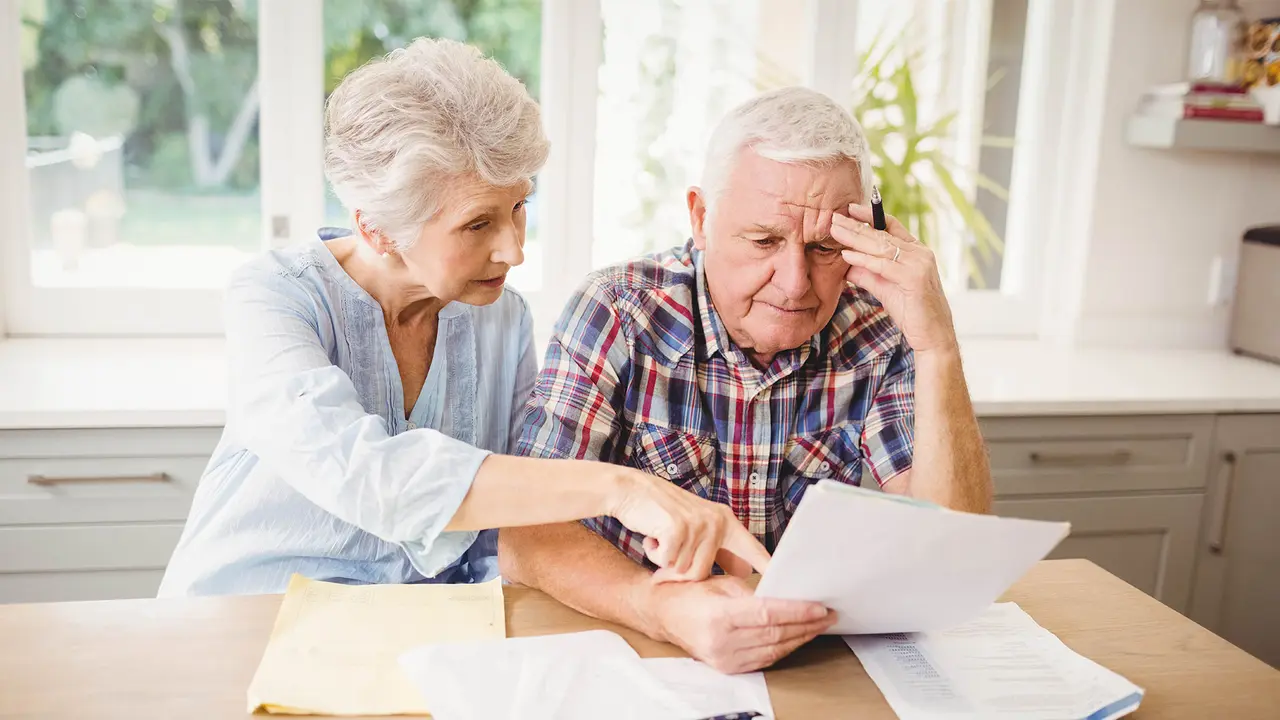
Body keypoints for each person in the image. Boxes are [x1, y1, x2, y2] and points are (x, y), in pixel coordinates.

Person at [158, 39, 768, 597]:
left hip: (416, 632)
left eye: (519, 207)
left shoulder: (501, 318)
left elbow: (509, 517)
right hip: (244, 615)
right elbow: (368, 477)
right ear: (377, 227)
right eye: (478, 224)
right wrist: (623, 488)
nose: (514, 249)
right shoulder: (274, 297)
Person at [500, 87, 994, 672]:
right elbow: (524, 534)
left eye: (825, 246)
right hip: (632, 648)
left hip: (799, 660)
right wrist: (661, 609)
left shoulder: (878, 327)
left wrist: (937, 345)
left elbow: (950, 548)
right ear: (701, 219)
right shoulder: (618, 309)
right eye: (763, 241)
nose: (794, 283)